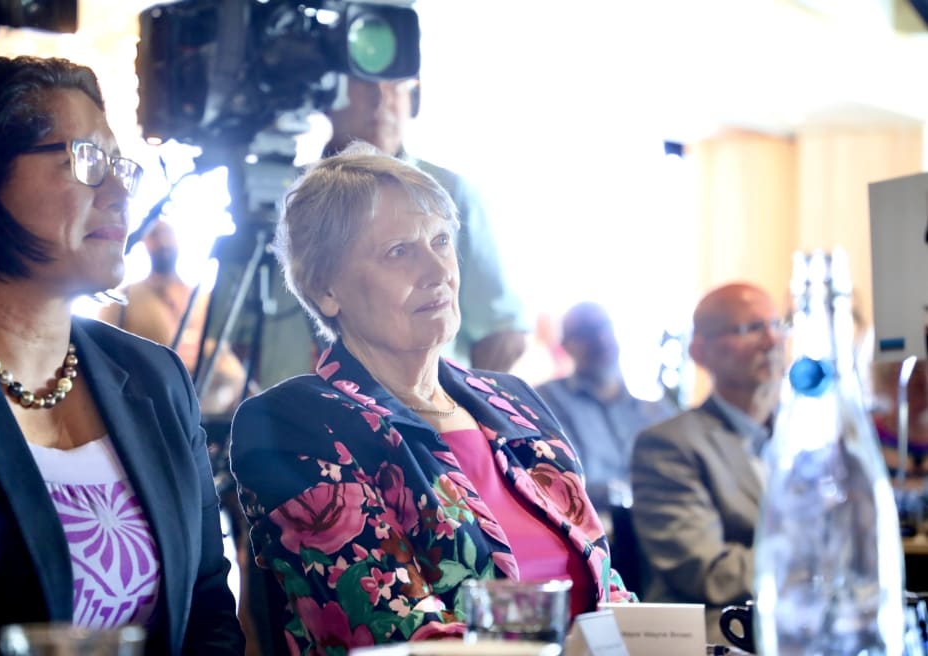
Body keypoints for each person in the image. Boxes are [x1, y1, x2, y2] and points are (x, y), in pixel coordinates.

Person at [0, 55, 246, 654]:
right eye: (88, 160)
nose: (121, 189)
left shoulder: (155, 378)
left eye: (120, 164)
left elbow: (207, 609)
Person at [229, 143, 633, 654]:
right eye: (399, 251)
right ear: (325, 288)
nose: (437, 269)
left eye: (440, 240)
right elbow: (399, 632)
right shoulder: (295, 423)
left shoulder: (515, 402)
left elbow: (611, 594)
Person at [322, 74, 528, 373]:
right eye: (364, 82)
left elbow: (505, 335)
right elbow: (233, 340)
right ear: (327, 95)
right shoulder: (280, 199)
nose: (382, 99)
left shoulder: (451, 193)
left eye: (394, 84)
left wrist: (440, 407)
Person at [629, 282, 786, 644]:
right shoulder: (667, 445)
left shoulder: (806, 440)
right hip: (721, 630)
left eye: (777, 325)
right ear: (700, 352)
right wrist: (807, 564)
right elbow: (710, 572)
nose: (772, 340)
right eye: (750, 329)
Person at [535, 301, 678, 513]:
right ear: (566, 346)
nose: (601, 339)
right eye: (586, 332)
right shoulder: (547, 401)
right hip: (593, 528)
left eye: (605, 327)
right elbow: (561, 480)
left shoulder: (659, 414)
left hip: (662, 521)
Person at [97, 218, 246, 417]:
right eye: (155, 235)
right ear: (144, 242)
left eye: (167, 234)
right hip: (149, 399)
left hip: (203, 403)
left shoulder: (201, 298)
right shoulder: (125, 297)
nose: (163, 242)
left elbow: (226, 358)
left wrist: (207, 351)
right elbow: (100, 353)